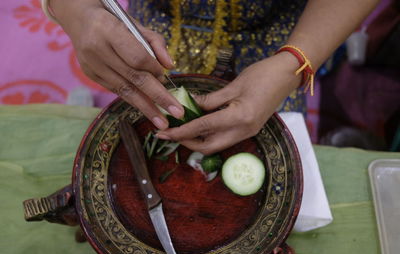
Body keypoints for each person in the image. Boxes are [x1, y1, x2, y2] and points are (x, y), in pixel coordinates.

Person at [46, 0, 378, 154]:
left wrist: (293, 63)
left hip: (284, 40)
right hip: (155, 33)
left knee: (269, 145)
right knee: (149, 139)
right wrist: (75, 10)